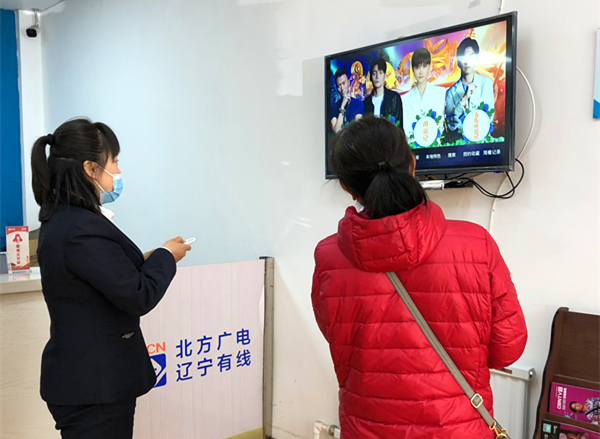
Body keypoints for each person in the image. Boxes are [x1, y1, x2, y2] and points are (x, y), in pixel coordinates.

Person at [311, 116, 527, 438]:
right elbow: (507, 349)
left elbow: (338, 338)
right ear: (412, 164)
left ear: (345, 185)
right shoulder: (476, 244)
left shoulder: (328, 257)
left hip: (366, 429)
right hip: (458, 430)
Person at [32, 118, 191, 438]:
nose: (117, 171)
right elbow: (138, 295)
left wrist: (146, 257)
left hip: (88, 380)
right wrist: (166, 256)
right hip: (94, 385)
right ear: (90, 168)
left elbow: (101, 274)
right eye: (114, 161)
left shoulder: (65, 220)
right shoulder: (81, 228)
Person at [445, 37, 495, 142]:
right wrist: (464, 99)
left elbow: (489, 117)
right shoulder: (451, 92)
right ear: (458, 62)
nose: (467, 61)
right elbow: (451, 126)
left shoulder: (486, 83)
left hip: (482, 143)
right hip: (459, 145)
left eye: (471, 56)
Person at [401, 48, 446, 140]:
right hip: (413, 146)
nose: (421, 72)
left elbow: (440, 123)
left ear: (429, 67)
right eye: (417, 67)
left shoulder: (440, 93)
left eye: (424, 66)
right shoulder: (404, 99)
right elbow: (407, 129)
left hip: (435, 145)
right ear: (413, 70)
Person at [363, 58, 403, 126]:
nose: (377, 76)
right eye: (374, 73)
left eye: (380, 73)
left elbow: (399, 126)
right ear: (370, 77)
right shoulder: (366, 103)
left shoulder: (394, 98)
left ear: (384, 76)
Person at [330, 67, 363, 133]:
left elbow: (357, 130)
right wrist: (342, 106)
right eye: (339, 85)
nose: (342, 88)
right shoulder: (333, 108)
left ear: (348, 82)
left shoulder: (358, 103)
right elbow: (337, 131)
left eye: (344, 83)